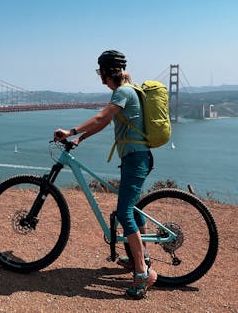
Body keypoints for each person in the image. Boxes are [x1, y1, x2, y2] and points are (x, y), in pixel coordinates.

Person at [53, 50, 157, 299]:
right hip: (135, 157)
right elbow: (104, 122)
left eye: (100, 70)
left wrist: (71, 131)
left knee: (124, 212)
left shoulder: (123, 92)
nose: (99, 75)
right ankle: (138, 257)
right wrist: (81, 138)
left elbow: (101, 117)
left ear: (107, 72)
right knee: (130, 209)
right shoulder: (125, 91)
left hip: (136, 159)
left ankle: (143, 272)